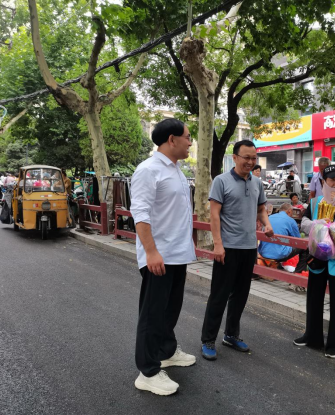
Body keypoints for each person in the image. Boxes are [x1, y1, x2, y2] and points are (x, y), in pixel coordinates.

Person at [130, 118, 197, 396]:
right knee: (153, 314)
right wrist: (151, 251)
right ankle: (147, 372)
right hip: (159, 255)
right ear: (172, 139)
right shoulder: (148, 170)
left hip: (178, 254)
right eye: (187, 137)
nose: (190, 142)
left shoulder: (177, 170)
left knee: (170, 310)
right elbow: (140, 213)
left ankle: (166, 351)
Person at [201, 139, 274, 361]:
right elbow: (214, 215)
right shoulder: (221, 181)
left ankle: (231, 335)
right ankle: (208, 339)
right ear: (235, 158)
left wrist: (267, 224)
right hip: (228, 248)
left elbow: (261, 209)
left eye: (254, 158)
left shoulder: (257, 183)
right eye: (246, 157)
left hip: (249, 247)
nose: (250, 162)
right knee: (219, 295)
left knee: (240, 295)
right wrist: (218, 244)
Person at [294, 165, 335, 358]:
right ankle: (312, 337)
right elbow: (304, 223)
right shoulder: (315, 202)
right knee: (314, 300)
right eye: (333, 180)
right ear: (324, 182)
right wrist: (317, 225)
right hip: (317, 258)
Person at [258, 203, 308, 273]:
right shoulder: (290, 221)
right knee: (305, 247)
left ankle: (280, 266)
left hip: (263, 252)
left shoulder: (269, 217)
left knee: (280, 244)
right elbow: (298, 241)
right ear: (289, 211)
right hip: (278, 254)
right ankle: (299, 272)